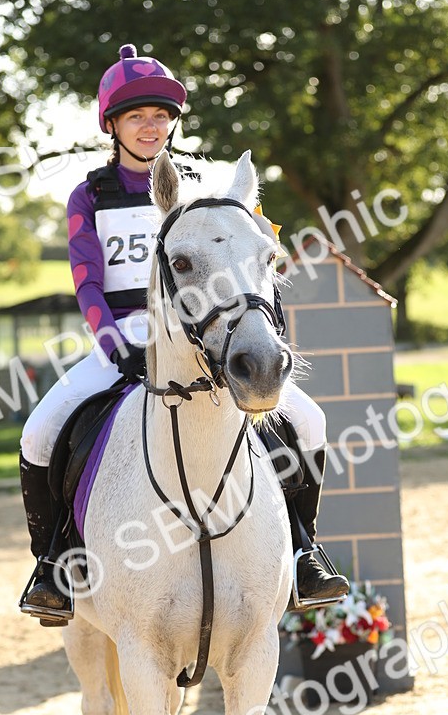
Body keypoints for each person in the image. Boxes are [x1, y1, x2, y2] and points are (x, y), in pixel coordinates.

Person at [18, 44, 348, 626]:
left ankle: (303, 552)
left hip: (207, 334)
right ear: (112, 125)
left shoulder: (206, 184)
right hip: (123, 337)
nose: (152, 127)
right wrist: (115, 346)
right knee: (40, 432)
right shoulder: (90, 195)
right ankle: (52, 568)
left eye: (161, 116)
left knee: (310, 421)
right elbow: (87, 281)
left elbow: (253, 262)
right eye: (137, 117)